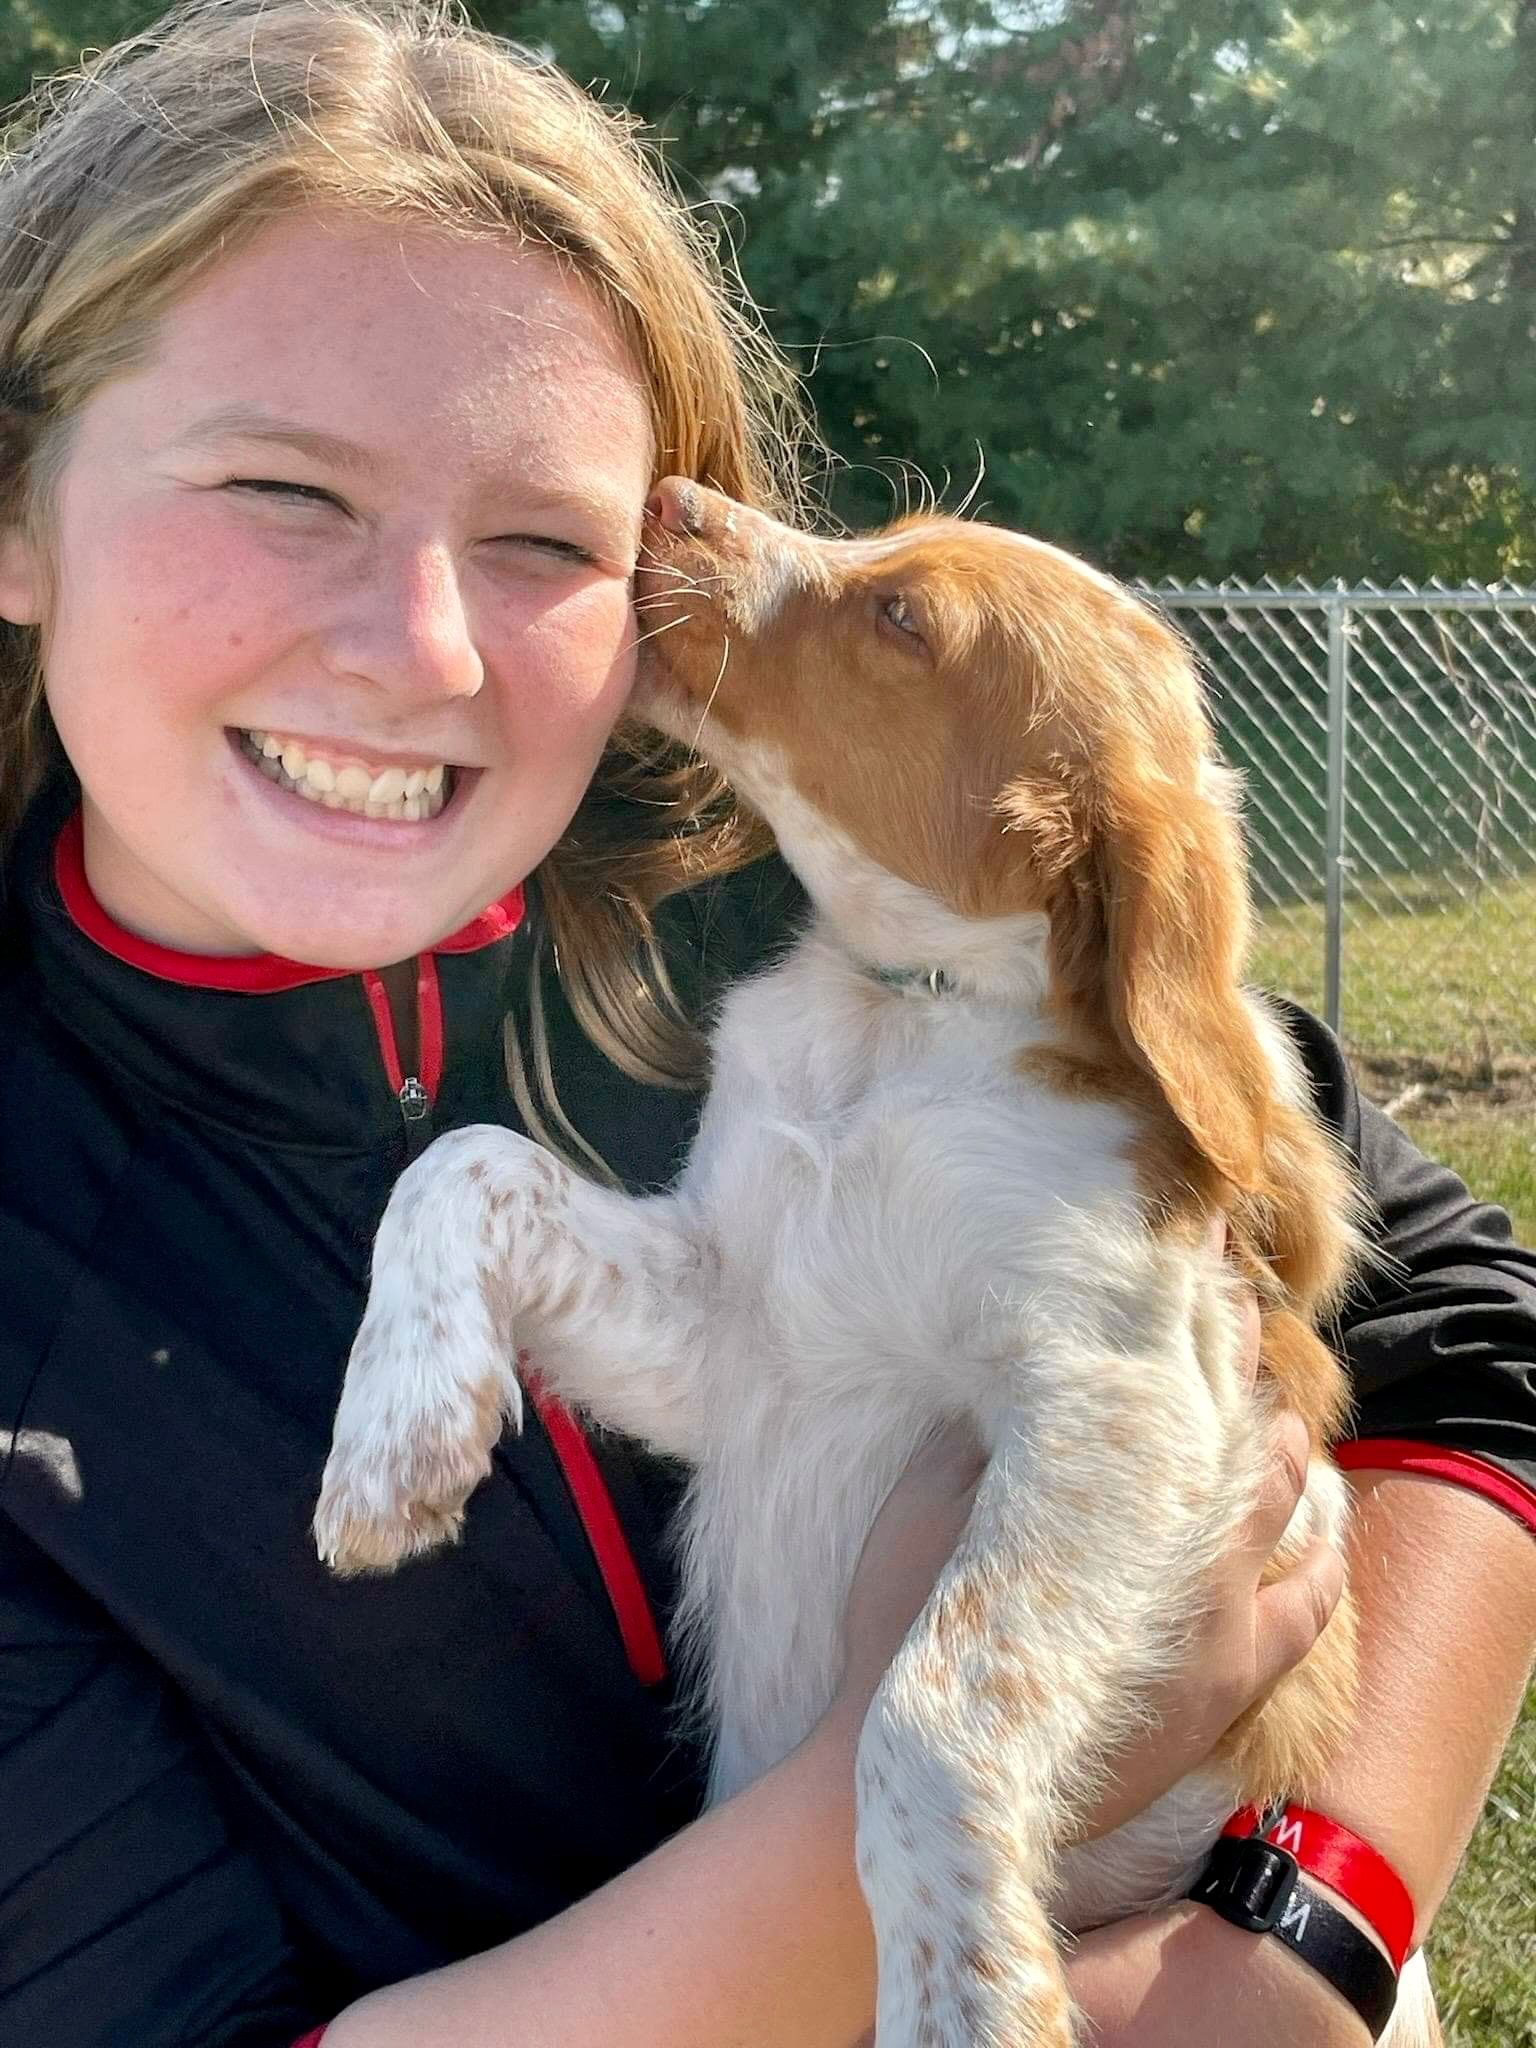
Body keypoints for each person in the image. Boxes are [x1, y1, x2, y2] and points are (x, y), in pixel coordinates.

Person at [0, 2, 1531, 2042]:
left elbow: (1453, 1320)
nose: (422, 649)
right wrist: (885, 1829)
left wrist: (1302, 1936)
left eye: (548, 537)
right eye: (286, 488)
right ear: (21, 507)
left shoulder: (840, 883)